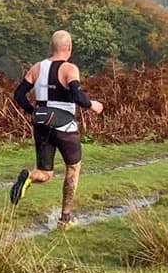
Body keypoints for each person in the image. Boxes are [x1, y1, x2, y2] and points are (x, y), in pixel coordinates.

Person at [9, 29, 103, 227]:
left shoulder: (36, 68)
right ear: (69, 47)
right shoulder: (70, 69)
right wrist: (92, 105)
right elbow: (77, 96)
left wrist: (33, 111)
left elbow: (18, 95)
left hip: (41, 123)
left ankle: (28, 178)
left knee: (45, 173)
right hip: (64, 126)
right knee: (73, 168)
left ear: (51, 47)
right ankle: (65, 218)